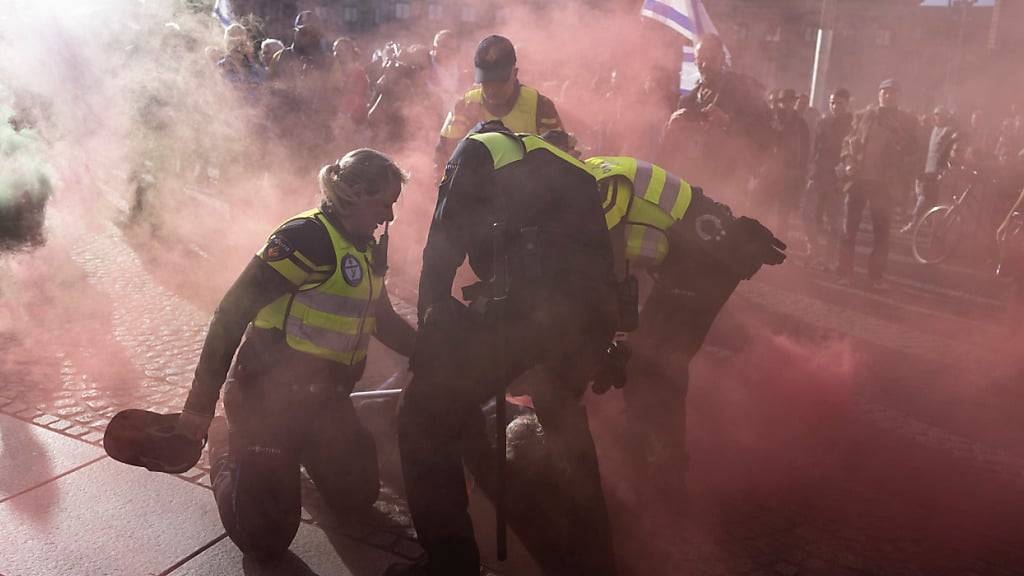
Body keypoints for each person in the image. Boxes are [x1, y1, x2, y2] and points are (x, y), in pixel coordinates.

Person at [387, 121, 619, 576]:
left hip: (530, 314)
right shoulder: (570, 163)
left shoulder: (474, 150)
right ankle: (595, 560)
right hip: (588, 321)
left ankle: (450, 565)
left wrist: (431, 333)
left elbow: (441, 250)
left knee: (422, 418)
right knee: (563, 417)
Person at [173, 150, 416, 560]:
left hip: (326, 402)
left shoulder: (362, 246)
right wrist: (198, 407)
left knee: (357, 496)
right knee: (265, 542)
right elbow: (231, 313)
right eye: (384, 203)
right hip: (267, 402)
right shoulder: (305, 238)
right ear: (354, 193)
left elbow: (384, 319)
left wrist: (436, 355)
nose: (389, 215)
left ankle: (291, 463)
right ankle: (226, 442)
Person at [542, 134, 786, 492]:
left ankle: (663, 472)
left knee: (656, 363)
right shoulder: (587, 181)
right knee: (644, 355)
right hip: (690, 259)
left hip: (707, 263)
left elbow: (611, 268)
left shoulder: (599, 185)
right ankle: (649, 451)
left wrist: (607, 331)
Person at [658, 33, 770, 208]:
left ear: (722, 58)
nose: (704, 65)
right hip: (691, 183)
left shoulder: (742, 90)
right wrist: (671, 127)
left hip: (729, 185)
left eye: (710, 58)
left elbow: (763, 135)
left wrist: (727, 122)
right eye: (700, 59)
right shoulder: (689, 100)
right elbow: (670, 151)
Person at [836, 79, 920, 289]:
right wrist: (848, 163)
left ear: (899, 96)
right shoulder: (864, 115)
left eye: (892, 93)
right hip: (858, 181)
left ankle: (876, 277)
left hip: (884, 184)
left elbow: (913, 151)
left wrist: (899, 132)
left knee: (881, 233)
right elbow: (848, 143)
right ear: (878, 94)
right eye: (884, 92)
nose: (888, 96)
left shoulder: (907, 121)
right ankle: (844, 273)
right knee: (849, 230)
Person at [435, 35, 563, 167]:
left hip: (527, 184)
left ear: (515, 73)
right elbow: (443, 158)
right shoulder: (465, 106)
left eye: (499, 82)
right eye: (486, 82)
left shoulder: (539, 106)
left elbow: (561, 160)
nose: (492, 89)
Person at [802, 88, 853, 266]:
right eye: (832, 102)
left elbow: (855, 151)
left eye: (839, 103)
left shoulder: (852, 124)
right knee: (806, 214)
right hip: (818, 174)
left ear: (847, 104)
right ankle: (813, 250)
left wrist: (846, 170)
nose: (835, 106)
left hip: (838, 178)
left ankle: (829, 258)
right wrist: (811, 169)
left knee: (835, 222)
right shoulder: (822, 122)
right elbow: (815, 148)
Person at [761, 88, 810, 241]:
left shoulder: (801, 123)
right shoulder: (771, 120)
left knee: (784, 213)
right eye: (784, 102)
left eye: (790, 101)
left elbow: (805, 149)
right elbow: (763, 143)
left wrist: (801, 172)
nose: (787, 105)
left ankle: (778, 243)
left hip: (790, 172)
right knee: (765, 208)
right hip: (771, 170)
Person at [902, 106, 958, 233]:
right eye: (935, 114)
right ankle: (926, 224)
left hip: (938, 172)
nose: (935, 117)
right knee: (924, 197)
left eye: (938, 114)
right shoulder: (933, 129)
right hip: (928, 170)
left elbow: (949, 150)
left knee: (925, 199)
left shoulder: (949, 131)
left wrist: (943, 169)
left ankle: (914, 224)